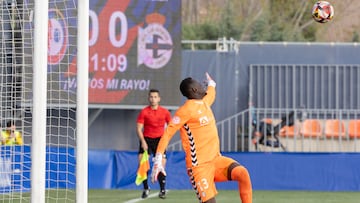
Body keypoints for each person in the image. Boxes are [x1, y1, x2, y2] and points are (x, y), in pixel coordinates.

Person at [151, 73, 252, 203]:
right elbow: (167, 133)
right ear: (194, 90)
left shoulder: (204, 103)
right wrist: (158, 159)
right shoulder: (185, 110)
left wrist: (211, 83)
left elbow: (211, 93)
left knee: (243, 173)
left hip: (216, 160)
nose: (201, 85)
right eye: (198, 83)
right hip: (198, 167)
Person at [136, 89, 171, 199]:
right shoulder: (144, 112)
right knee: (142, 163)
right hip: (146, 139)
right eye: (151, 97)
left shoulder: (165, 112)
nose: (153, 99)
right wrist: (143, 141)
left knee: (160, 165)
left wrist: (166, 141)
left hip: (160, 140)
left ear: (159, 98)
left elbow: (171, 127)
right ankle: (146, 188)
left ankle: (162, 190)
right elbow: (138, 128)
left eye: (155, 97)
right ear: (148, 98)